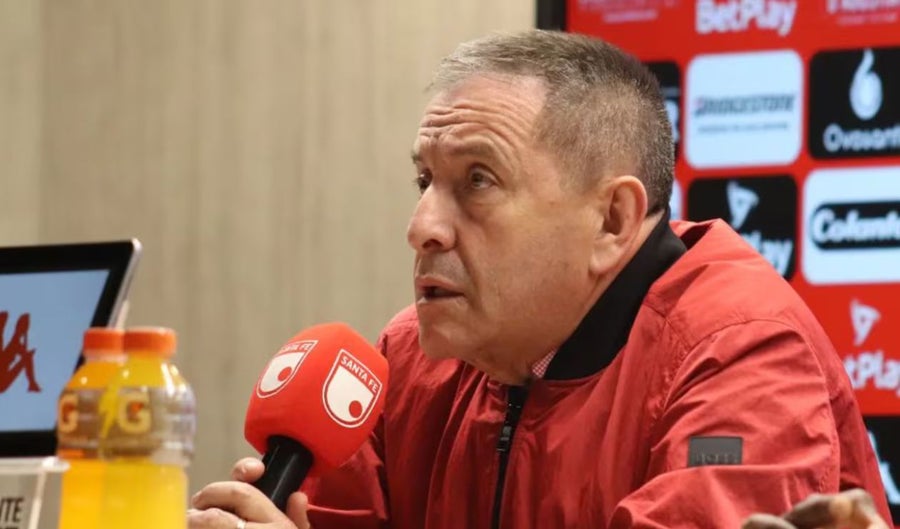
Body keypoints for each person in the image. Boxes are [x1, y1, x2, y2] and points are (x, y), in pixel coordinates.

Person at [188, 30, 890, 529]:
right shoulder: (406, 363)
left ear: (612, 220)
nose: (421, 226)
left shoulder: (744, 357)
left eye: (478, 180)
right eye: (425, 181)